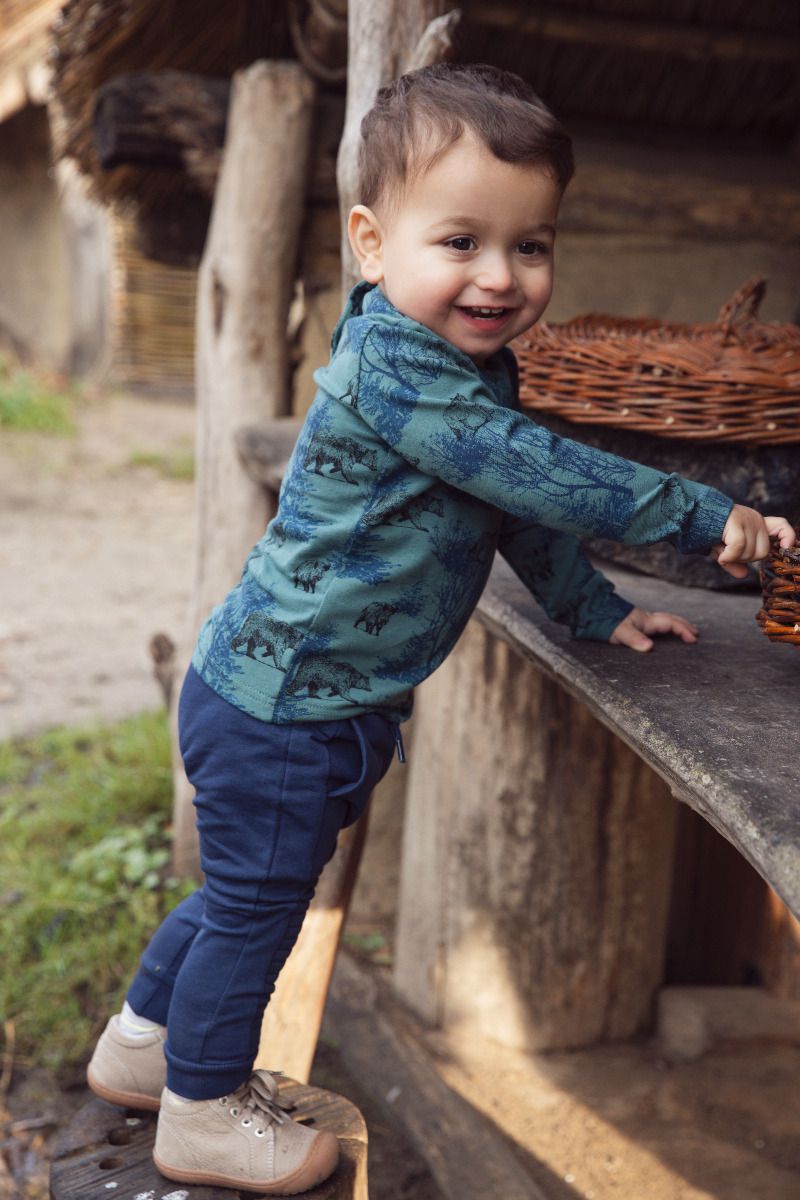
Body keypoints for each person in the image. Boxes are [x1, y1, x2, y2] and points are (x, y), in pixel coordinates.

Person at [86, 62, 795, 1194]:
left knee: (238, 896)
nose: (499, 277)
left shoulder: (463, 378)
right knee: (258, 914)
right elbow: (540, 473)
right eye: (458, 241)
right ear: (370, 244)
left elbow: (509, 504)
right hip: (285, 709)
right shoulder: (401, 377)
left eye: (530, 246)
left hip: (287, 695)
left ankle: (141, 1047)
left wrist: (592, 609)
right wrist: (701, 509)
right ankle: (203, 1107)